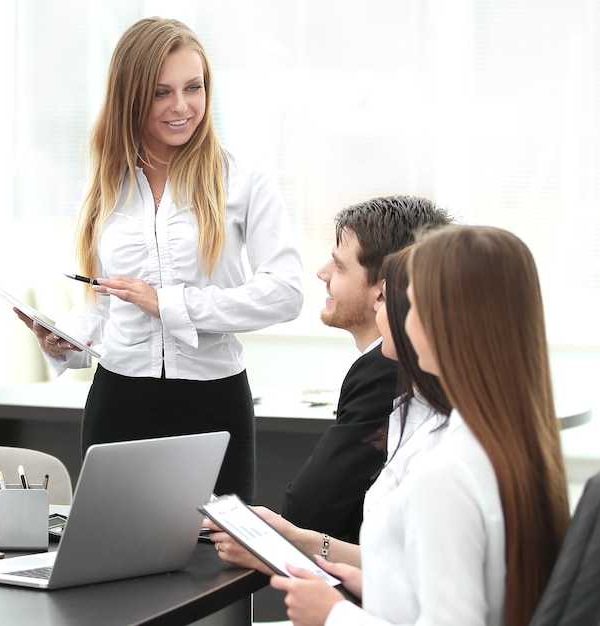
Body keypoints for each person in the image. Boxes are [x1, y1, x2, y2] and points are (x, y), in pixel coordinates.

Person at [14, 17, 304, 504]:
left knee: (220, 564)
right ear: (131, 97)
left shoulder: (243, 180)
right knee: (113, 565)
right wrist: (66, 340)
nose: (182, 106)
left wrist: (171, 304)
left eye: (194, 88)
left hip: (213, 403)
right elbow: (107, 308)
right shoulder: (106, 183)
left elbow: (287, 292)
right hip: (118, 402)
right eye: (161, 92)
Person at [269, 225, 571, 626]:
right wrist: (378, 586)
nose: (390, 314)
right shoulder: (509, 442)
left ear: (448, 323)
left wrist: (334, 615)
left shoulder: (446, 473)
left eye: (406, 304)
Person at [207, 246, 452, 577]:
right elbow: (402, 565)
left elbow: (432, 591)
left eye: (388, 298)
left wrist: (331, 609)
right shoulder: (421, 413)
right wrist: (293, 540)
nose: (323, 273)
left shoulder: (444, 443)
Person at [282, 196, 451, 542]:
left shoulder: (384, 371)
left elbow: (308, 510)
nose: (322, 273)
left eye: (340, 266)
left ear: (383, 291)